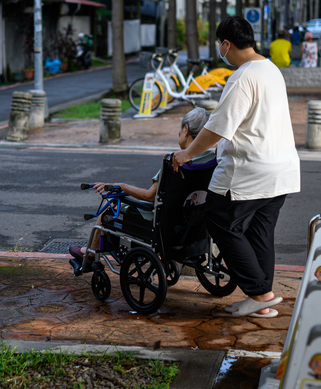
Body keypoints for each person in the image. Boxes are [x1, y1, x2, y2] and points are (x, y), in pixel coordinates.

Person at [172, 16, 301, 318]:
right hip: (281, 171)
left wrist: (187, 154)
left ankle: (259, 291)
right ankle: (262, 299)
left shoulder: (242, 77)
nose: (220, 50)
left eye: (220, 44)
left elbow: (219, 126)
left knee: (219, 219)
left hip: (250, 169)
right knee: (259, 232)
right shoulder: (270, 70)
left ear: (226, 44)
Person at [70, 107, 215, 262]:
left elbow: (150, 196)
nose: (178, 133)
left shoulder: (175, 162)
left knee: (110, 205)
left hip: (161, 221)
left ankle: (90, 252)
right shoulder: (212, 160)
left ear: (186, 129)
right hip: (193, 221)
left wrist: (122, 186)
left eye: (180, 129)